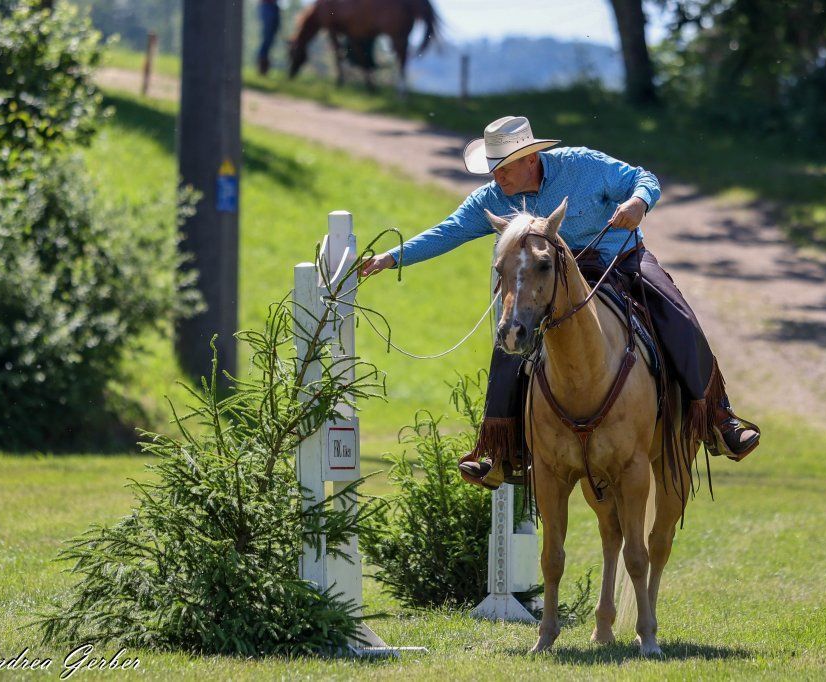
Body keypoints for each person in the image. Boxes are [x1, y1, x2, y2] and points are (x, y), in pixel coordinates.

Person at [360, 116, 761, 488]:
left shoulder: (583, 165)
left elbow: (643, 179)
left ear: (530, 158)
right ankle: (502, 452)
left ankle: (718, 420)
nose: (497, 177)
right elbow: (448, 231)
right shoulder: (494, 198)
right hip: (545, 278)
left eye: (504, 167)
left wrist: (638, 203)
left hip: (617, 258)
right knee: (511, 339)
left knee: (677, 316)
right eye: (493, 169)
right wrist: (389, 258)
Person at [257, 0, 281, 76]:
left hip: (273, 6)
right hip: (267, 6)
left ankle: (264, 68)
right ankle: (262, 67)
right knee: (267, 38)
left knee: (270, 39)